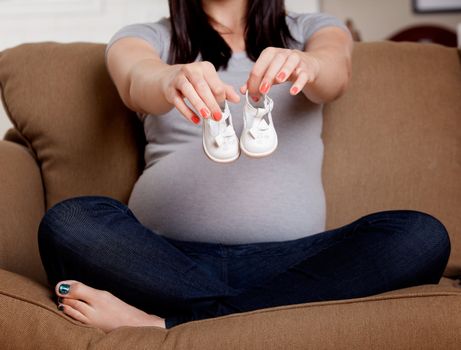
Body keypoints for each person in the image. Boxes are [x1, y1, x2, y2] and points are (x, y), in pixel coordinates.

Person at [37, 0, 451, 332]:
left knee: (420, 236)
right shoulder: (146, 38)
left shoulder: (310, 29)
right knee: (70, 220)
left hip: (293, 266)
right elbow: (136, 81)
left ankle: (168, 322)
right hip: (163, 262)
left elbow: (335, 74)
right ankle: (259, 312)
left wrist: (310, 65)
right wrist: (169, 81)